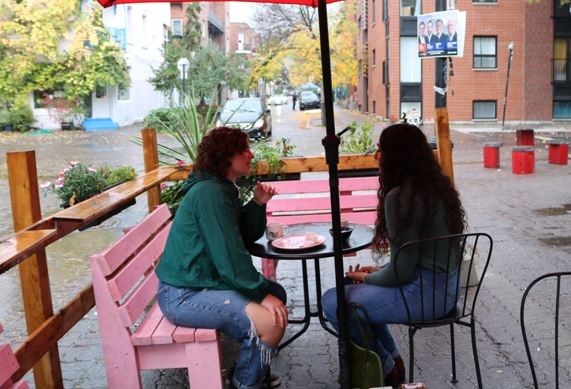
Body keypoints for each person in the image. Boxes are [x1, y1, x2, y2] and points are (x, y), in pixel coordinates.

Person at [321, 124, 467, 387]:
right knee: (348, 287)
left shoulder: (400, 197)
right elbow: (413, 260)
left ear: (397, 154)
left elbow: (402, 273)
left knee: (333, 302)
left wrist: (365, 279)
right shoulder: (438, 187)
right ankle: (394, 361)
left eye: (381, 149)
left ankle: (385, 369)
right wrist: (377, 273)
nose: (376, 155)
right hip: (449, 292)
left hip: (424, 297)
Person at [155, 127, 288, 389]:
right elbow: (229, 255)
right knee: (272, 323)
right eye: (243, 150)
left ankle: (250, 370)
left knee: (277, 294)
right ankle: (244, 382)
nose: (251, 154)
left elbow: (243, 238)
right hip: (184, 294)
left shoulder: (223, 187)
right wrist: (260, 294)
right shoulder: (210, 193)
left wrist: (258, 204)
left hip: (204, 282)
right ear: (225, 156)